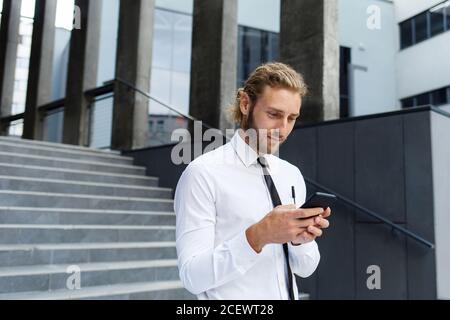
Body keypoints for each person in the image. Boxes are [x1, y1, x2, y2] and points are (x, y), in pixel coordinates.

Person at [174, 62, 331, 300]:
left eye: (292, 118)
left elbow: (306, 268)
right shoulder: (202, 174)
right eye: (274, 114)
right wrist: (258, 236)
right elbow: (192, 277)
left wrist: (301, 242)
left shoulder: (291, 175)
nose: (283, 128)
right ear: (246, 104)